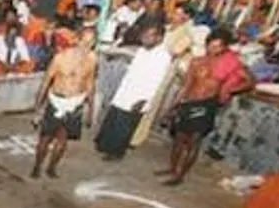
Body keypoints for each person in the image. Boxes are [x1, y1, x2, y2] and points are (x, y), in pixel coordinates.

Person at [159, 29, 243, 185]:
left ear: (224, 48)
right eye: (211, 46)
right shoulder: (197, 61)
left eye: (218, 47)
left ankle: (180, 176)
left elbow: (248, 81)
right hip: (190, 102)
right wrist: (173, 106)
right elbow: (186, 86)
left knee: (194, 142)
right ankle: (172, 168)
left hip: (206, 104)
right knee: (178, 139)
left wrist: (227, 90)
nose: (213, 49)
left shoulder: (229, 64)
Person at [95, 25, 172, 160]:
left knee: (124, 126)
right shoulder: (142, 51)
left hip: (138, 96)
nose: (145, 39)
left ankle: (116, 153)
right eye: (144, 35)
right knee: (114, 120)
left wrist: (144, 100)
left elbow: (155, 81)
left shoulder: (163, 56)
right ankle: (104, 145)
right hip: (126, 90)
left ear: (159, 38)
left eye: (149, 36)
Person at [31, 26, 97, 178]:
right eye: (84, 42)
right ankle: (37, 166)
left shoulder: (92, 59)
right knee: (45, 138)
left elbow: (90, 83)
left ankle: (51, 168)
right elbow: (46, 82)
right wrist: (37, 109)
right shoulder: (60, 58)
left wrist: (91, 110)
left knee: (63, 139)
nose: (86, 47)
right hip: (57, 101)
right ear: (77, 40)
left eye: (91, 43)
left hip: (76, 102)